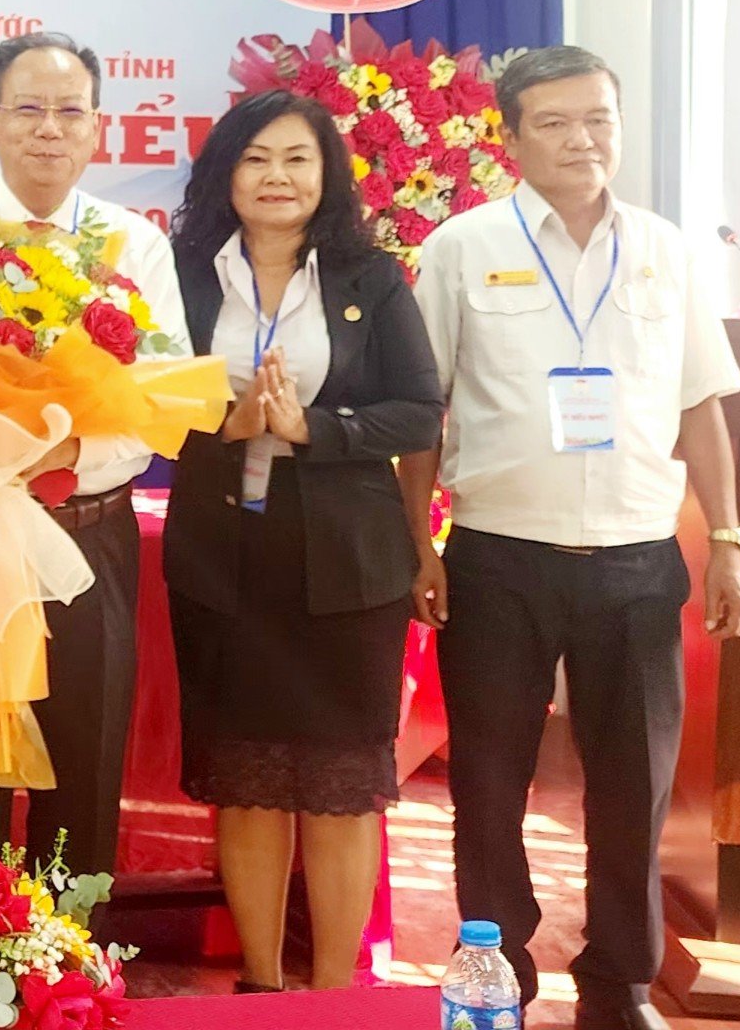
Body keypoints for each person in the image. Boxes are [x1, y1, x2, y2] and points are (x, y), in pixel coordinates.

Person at [403, 46, 740, 1030]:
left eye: (597, 116)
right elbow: (420, 407)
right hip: (497, 554)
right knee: (486, 777)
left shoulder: (663, 249)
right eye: (553, 121)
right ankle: (496, 966)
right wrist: (417, 544)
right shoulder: (461, 246)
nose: (581, 137)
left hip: (639, 559)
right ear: (510, 138)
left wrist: (725, 539)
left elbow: (701, 406)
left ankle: (618, 980)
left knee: (633, 785)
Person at [163, 92, 443, 992]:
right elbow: (134, 401)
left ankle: (331, 994)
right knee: (244, 779)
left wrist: (315, 428)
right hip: (224, 556)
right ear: (225, 174)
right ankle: (259, 986)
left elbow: (417, 408)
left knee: (338, 785)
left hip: (346, 563)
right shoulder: (182, 272)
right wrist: (227, 423)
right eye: (255, 159)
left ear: (326, 177)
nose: (276, 177)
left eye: (297, 159)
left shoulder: (371, 278)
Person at [0, 31, 193, 883]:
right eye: (28, 110)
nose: (49, 129)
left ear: (97, 130)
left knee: (84, 767)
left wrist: (68, 449)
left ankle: (69, 985)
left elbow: (164, 392)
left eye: (69, 112)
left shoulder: (133, 245)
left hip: (88, 533)